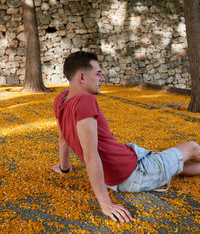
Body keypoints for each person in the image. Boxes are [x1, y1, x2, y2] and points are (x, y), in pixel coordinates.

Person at [51, 50, 200, 223]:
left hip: (122, 171)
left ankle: (170, 169)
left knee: (180, 165)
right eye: (98, 74)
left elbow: (63, 138)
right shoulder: (85, 101)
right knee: (192, 147)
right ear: (82, 77)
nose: (103, 79)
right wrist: (105, 204)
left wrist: (64, 168)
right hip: (133, 173)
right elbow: (91, 156)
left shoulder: (61, 99)